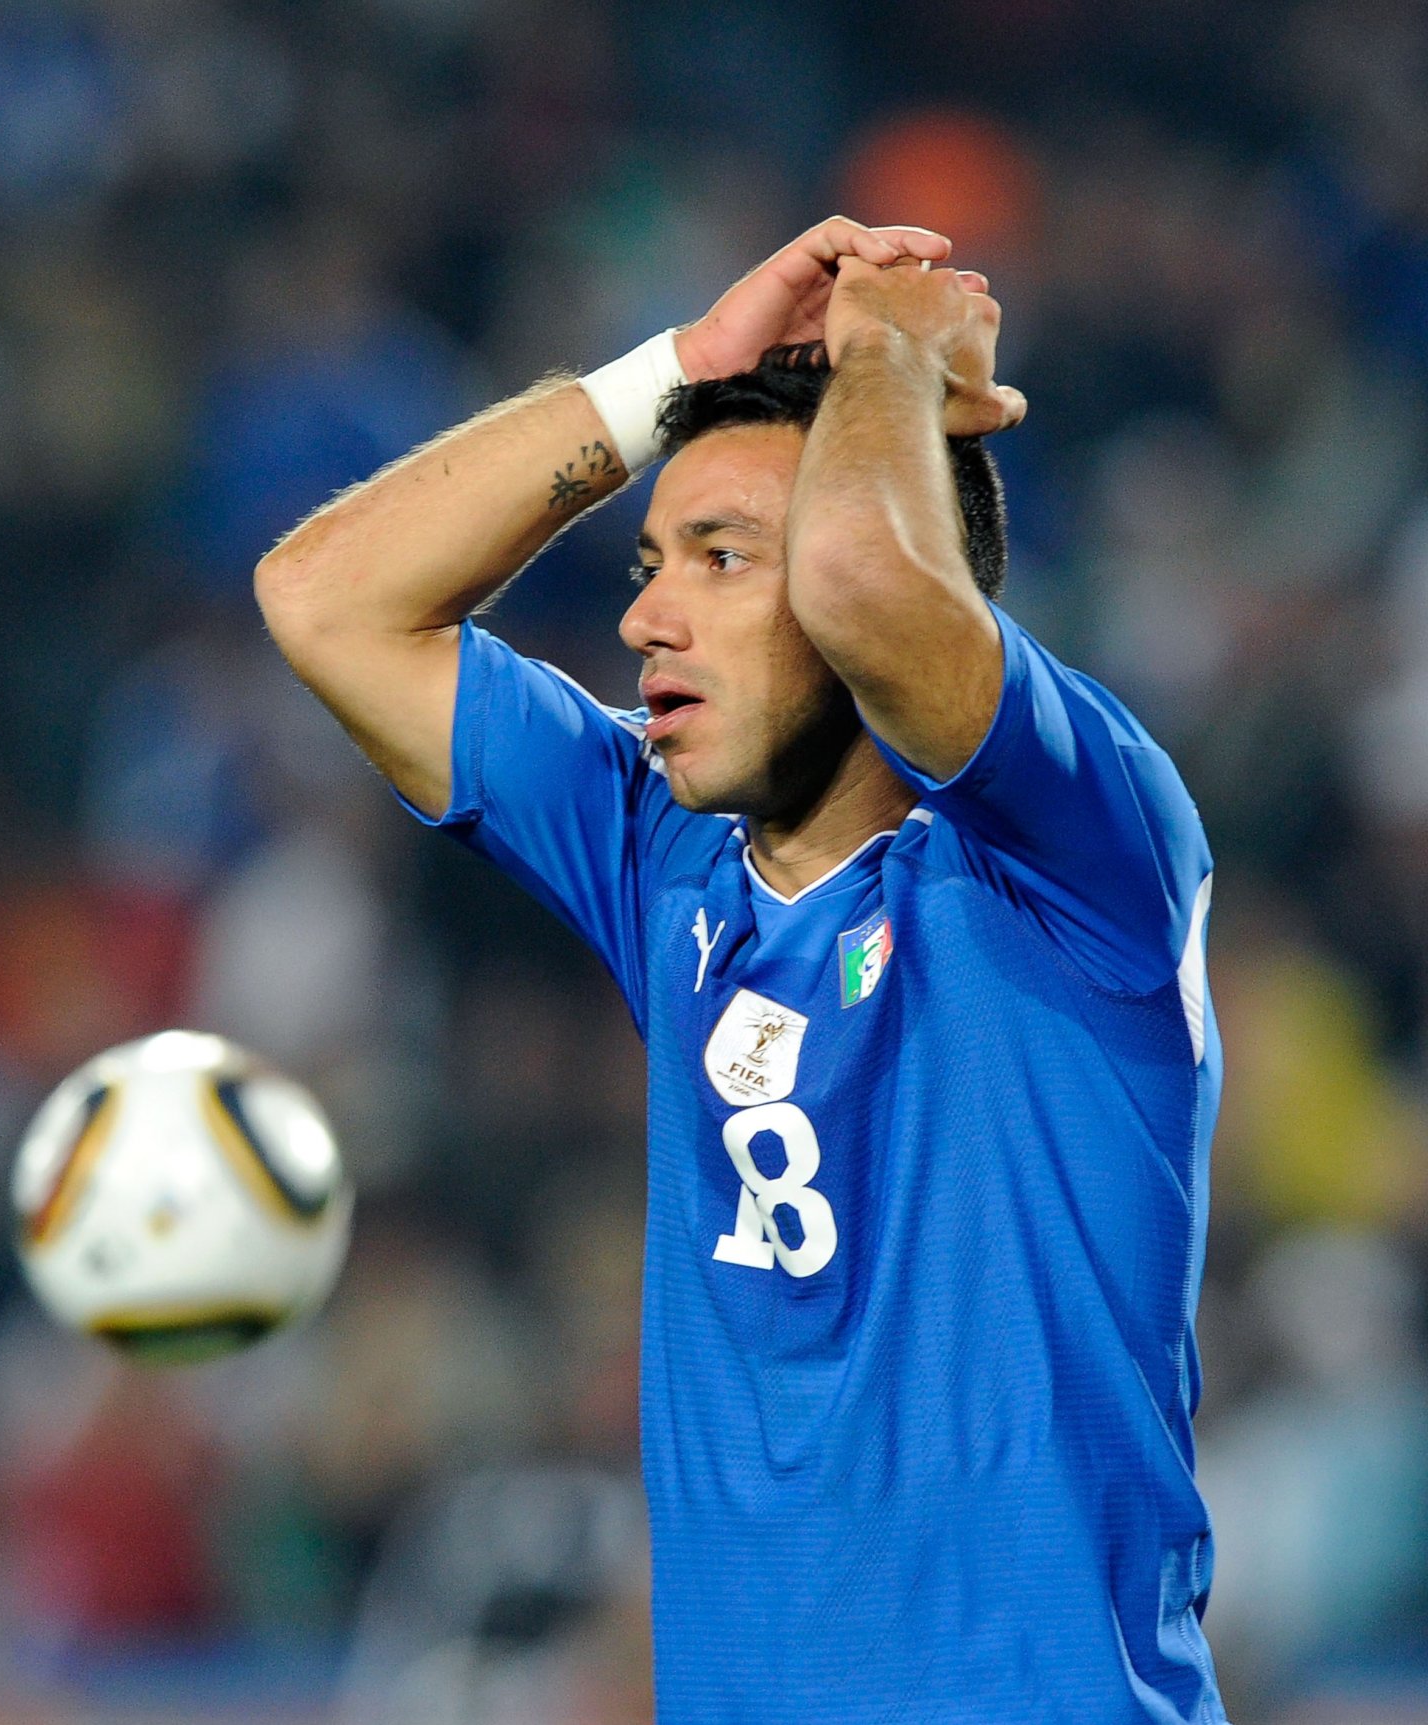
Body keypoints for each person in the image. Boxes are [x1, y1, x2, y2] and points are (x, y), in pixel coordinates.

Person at [255, 219, 1225, 1721]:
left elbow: (866, 585)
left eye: (720, 559)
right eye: (654, 562)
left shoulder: (1081, 855)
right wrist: (678, 373)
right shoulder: (672, 869)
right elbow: (329, 597)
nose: (647, 615)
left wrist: (891, 351)